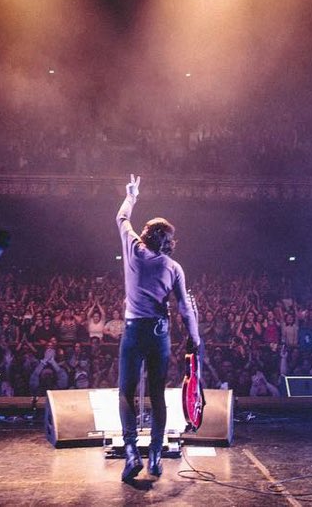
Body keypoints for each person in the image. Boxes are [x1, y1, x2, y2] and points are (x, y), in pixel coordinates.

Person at [116, 174, 202, 483]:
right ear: (167, 242)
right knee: (157, 393)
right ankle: (154, 456)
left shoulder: (133, 249)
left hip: (134, 329)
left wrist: (132, 195)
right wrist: (194, 338)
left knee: (126, 392)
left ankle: (130, 454)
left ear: (146, 235)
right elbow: (184, 308)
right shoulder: (174, 268)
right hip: (159, 333)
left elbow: (122, 216)